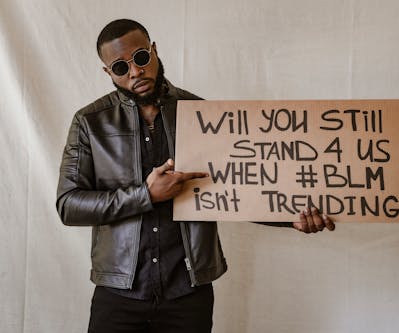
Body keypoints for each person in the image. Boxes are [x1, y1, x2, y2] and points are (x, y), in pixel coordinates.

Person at [56, 18, 335, 333]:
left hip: (187, 292)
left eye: (141, 58)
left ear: (154, 51)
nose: (135, 72)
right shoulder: (89, 123)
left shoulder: (203, 115)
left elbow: (239, 187)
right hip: (119, 292)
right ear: (109, 73)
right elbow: (68, 204)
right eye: (121, 68)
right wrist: (145, 195)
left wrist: (290, 217)